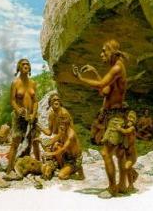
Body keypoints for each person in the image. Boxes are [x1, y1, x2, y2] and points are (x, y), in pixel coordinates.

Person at [73, 39, 128, 197]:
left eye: (104, 51)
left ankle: (112, 188)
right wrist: (95, 72)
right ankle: (122, 184)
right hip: (112, 116)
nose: (101, 54)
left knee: (106, 153)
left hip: (116, 117)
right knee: (118, 153)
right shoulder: (115, 68)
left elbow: (100, 85)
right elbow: (105, 90)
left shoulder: (117, 68)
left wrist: (80, 78)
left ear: (112, 51)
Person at [6, 59, 40, 179]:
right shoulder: (15, 83)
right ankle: (9, 169)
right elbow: (12, 100)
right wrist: (17, 109)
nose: (26, 66)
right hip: (19, 117)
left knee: (34, 141)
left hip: (32, 117)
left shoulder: (33, 83)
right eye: (23, 64)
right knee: (16, 141)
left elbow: (35, 101)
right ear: (19, 68)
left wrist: (34, 114)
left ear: (30, 68)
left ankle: (38, 165)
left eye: (27, 64)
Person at [44, 112, 84, 180]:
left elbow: (63, 149)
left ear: (67, 125)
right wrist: (47, 143)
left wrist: (51, 153)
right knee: (56, 145)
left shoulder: (71, 135)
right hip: (66, 156)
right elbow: (57, 137)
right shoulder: (62, 130)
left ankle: (76, 169)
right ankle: (62, 167)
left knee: (61, 176)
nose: (61, 126)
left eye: (63, 124)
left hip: (74, 160)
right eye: (60, 124)